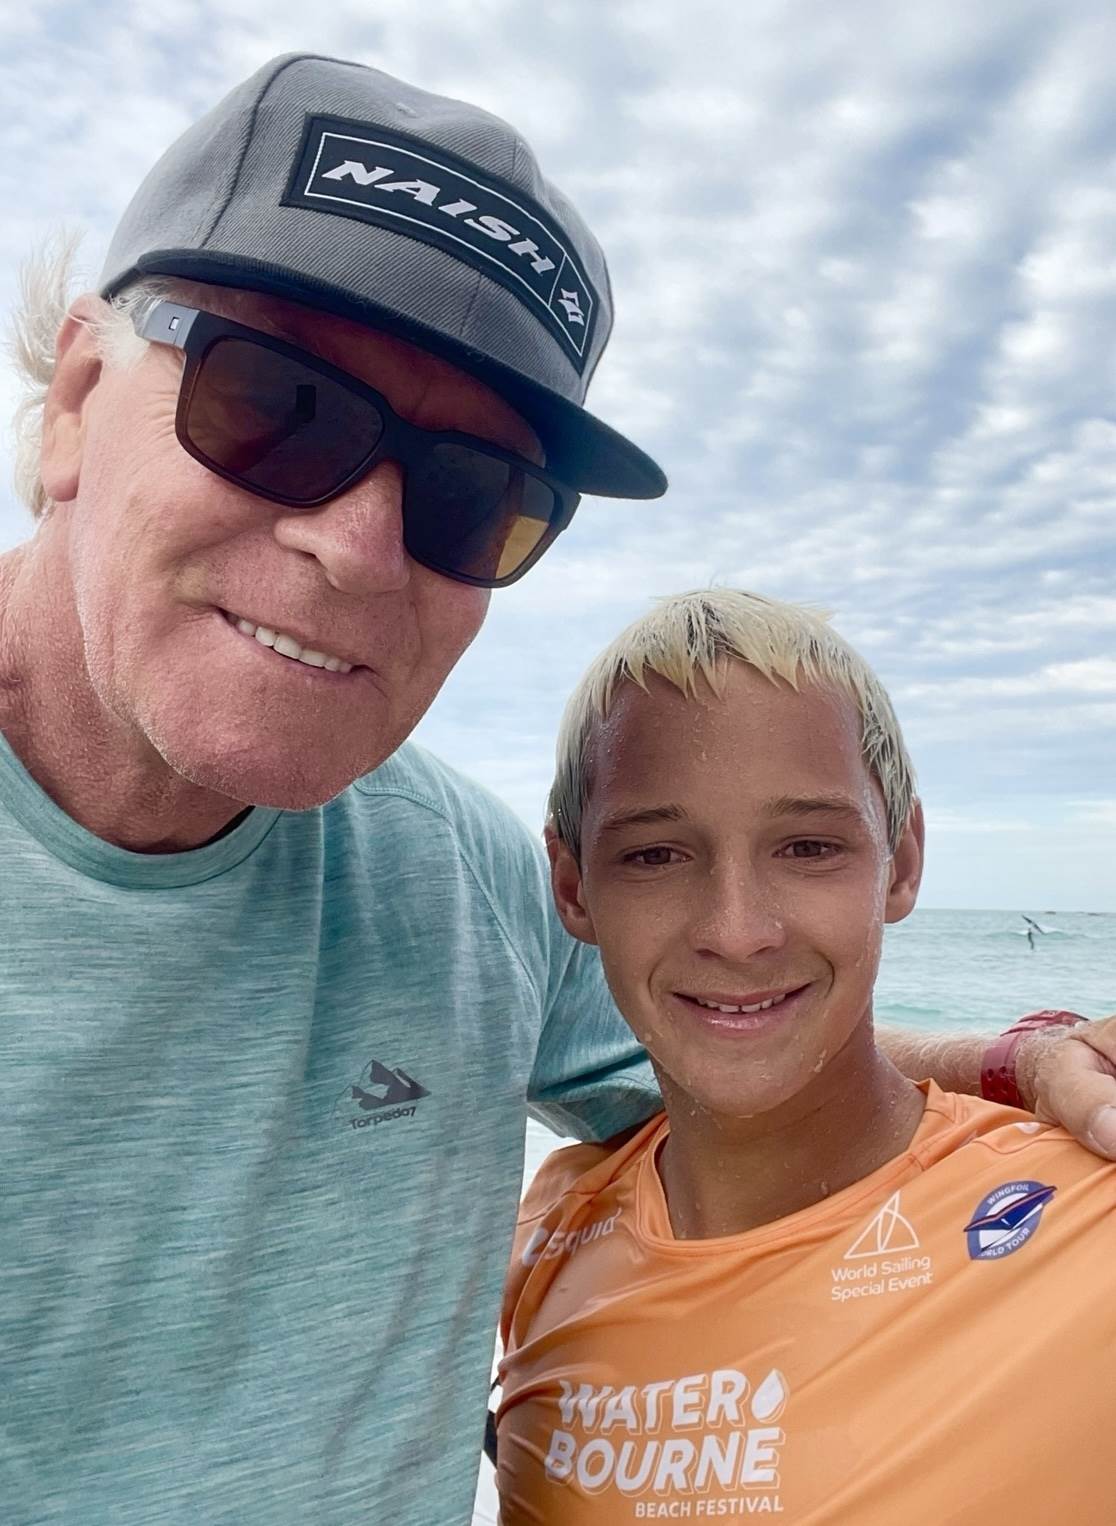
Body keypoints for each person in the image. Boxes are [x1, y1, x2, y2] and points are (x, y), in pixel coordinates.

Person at [0, 53, 1113, 1526]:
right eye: (277, 405)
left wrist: (1021, 1054)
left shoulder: (458, 885)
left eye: (474, 493)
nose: (358, 545)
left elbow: (730, 1020)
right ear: (77, 399)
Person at [496, 589, 1116, 1524]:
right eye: (656, 855)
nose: (736, 929)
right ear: (573, 886)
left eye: (809, 846)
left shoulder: (1082, 1221)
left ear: (902, 860)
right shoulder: (547, 1236)